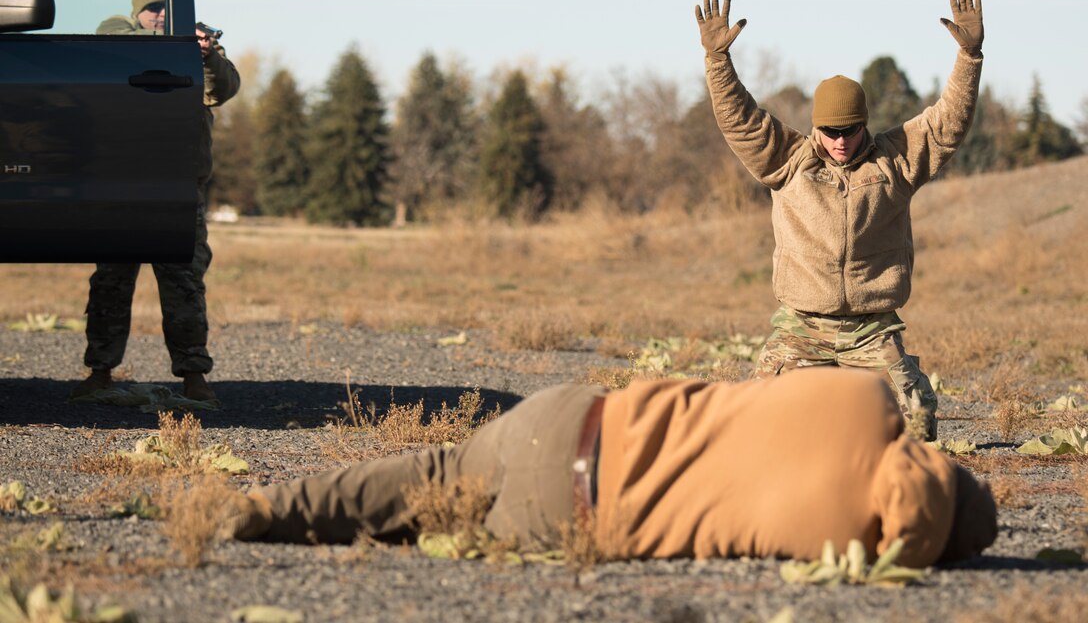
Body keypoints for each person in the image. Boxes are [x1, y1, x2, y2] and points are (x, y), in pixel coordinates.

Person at [225, 369, 997, 569]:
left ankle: (269, 504)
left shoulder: (863, 396)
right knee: (427, 509)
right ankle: (293, 520)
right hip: (570, 517)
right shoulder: (852, 544)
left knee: (434, 465)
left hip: (576, 417)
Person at [693, 0, 985, 441]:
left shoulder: (896, 160)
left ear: (863, 124)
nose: (840, 141)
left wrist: (969, 56)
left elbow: (948, 123)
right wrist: (717, 63)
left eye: (849, 130)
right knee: (752, 430)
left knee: (916, 428)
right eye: (830, 131)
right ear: (816, 128)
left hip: (871, 330)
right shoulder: (789, 160)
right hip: (802, 328)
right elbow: (740, 120)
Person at [70, 0, 240, 404]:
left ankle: (194, 376)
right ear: (136, 9)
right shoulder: (117, 34)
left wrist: (203, 55)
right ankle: (100, 371)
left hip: (177, 185)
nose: (160, 15)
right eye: (152, 8)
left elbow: (222, 89)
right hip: (121, 185)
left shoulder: (194, 46)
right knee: (111, 282)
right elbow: (110, 39)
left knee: (184, 286)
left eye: (166, 7)